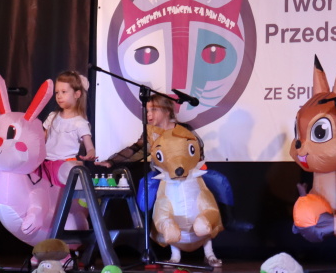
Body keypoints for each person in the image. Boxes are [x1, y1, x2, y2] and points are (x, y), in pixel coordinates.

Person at [100, 95, 240, 222]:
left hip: (189, 173)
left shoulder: (184, 129)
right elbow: (136, 149)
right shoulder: (150, 133)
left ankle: (229, 220)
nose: (149, 114)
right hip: (162, 174)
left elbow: (198, 150)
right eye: (147, 110)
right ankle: (145, 224)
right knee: (146, 184)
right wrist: (112, 161)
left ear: (167, 111)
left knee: (219, 180)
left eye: (154, 109)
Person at [42, 71, 97, 186]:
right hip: (46, 164)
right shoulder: (52, 116)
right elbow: (41, 140)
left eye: (64, 92)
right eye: (57, 92)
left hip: (65, 166)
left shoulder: (80, 123)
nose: (59, 96)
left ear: (77, 94)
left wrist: (90, 154)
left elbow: (90, 148)